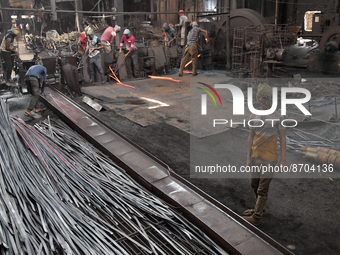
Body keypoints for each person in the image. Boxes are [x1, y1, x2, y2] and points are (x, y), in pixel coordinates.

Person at [244, 83, 286, 225]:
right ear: (258, 98)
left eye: (267, 97)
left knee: (262, 189)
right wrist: (248, 157)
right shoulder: (254, 115)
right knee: (253, 184)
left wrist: (283, 160)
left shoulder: (278, 115)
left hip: (270, 158)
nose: (264, 99)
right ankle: (260, 208)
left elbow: (283, 137)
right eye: (262, 97)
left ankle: (256, 217)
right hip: (256, 155)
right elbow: (251, 137)